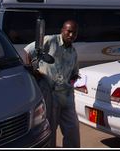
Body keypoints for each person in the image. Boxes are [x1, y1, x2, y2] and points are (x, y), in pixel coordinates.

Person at [24, 20, 80, 148]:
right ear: (62, 30)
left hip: (66, 95)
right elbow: (28, 50)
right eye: (69, 31)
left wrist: (72, 80)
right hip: (50, 93)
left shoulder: (73, 52)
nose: (71, 35)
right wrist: (32, 71)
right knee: (50, 127)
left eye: (74, 33)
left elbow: (75, 72)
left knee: (72, 129)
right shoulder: (50, 40)